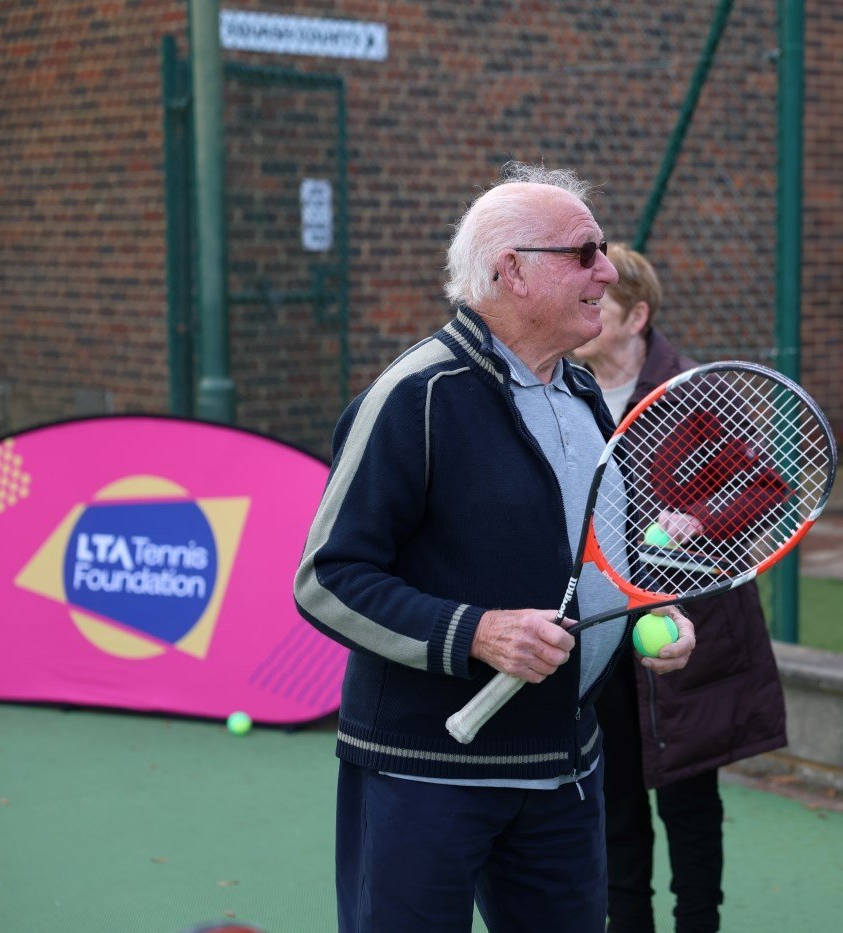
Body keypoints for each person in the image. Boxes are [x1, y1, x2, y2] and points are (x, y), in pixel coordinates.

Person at [293, 163, 697, 933]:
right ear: (512, 270)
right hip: (424, 773)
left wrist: (653, 603)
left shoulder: (580, 393)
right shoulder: (416, 395)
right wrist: (476, 632)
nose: (606, 272)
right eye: (585, 253)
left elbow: (602, 554)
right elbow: (328, 577)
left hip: (564, 769)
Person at [575, 245, 787, 933]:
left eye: (597, 305)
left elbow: (768, 486)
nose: (583, 315)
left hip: (690, 627)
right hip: (605, 623)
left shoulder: (695, 390)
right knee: (615, 801)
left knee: (689, 801)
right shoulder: (565, 390)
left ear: (636, 315)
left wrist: (699, 519)